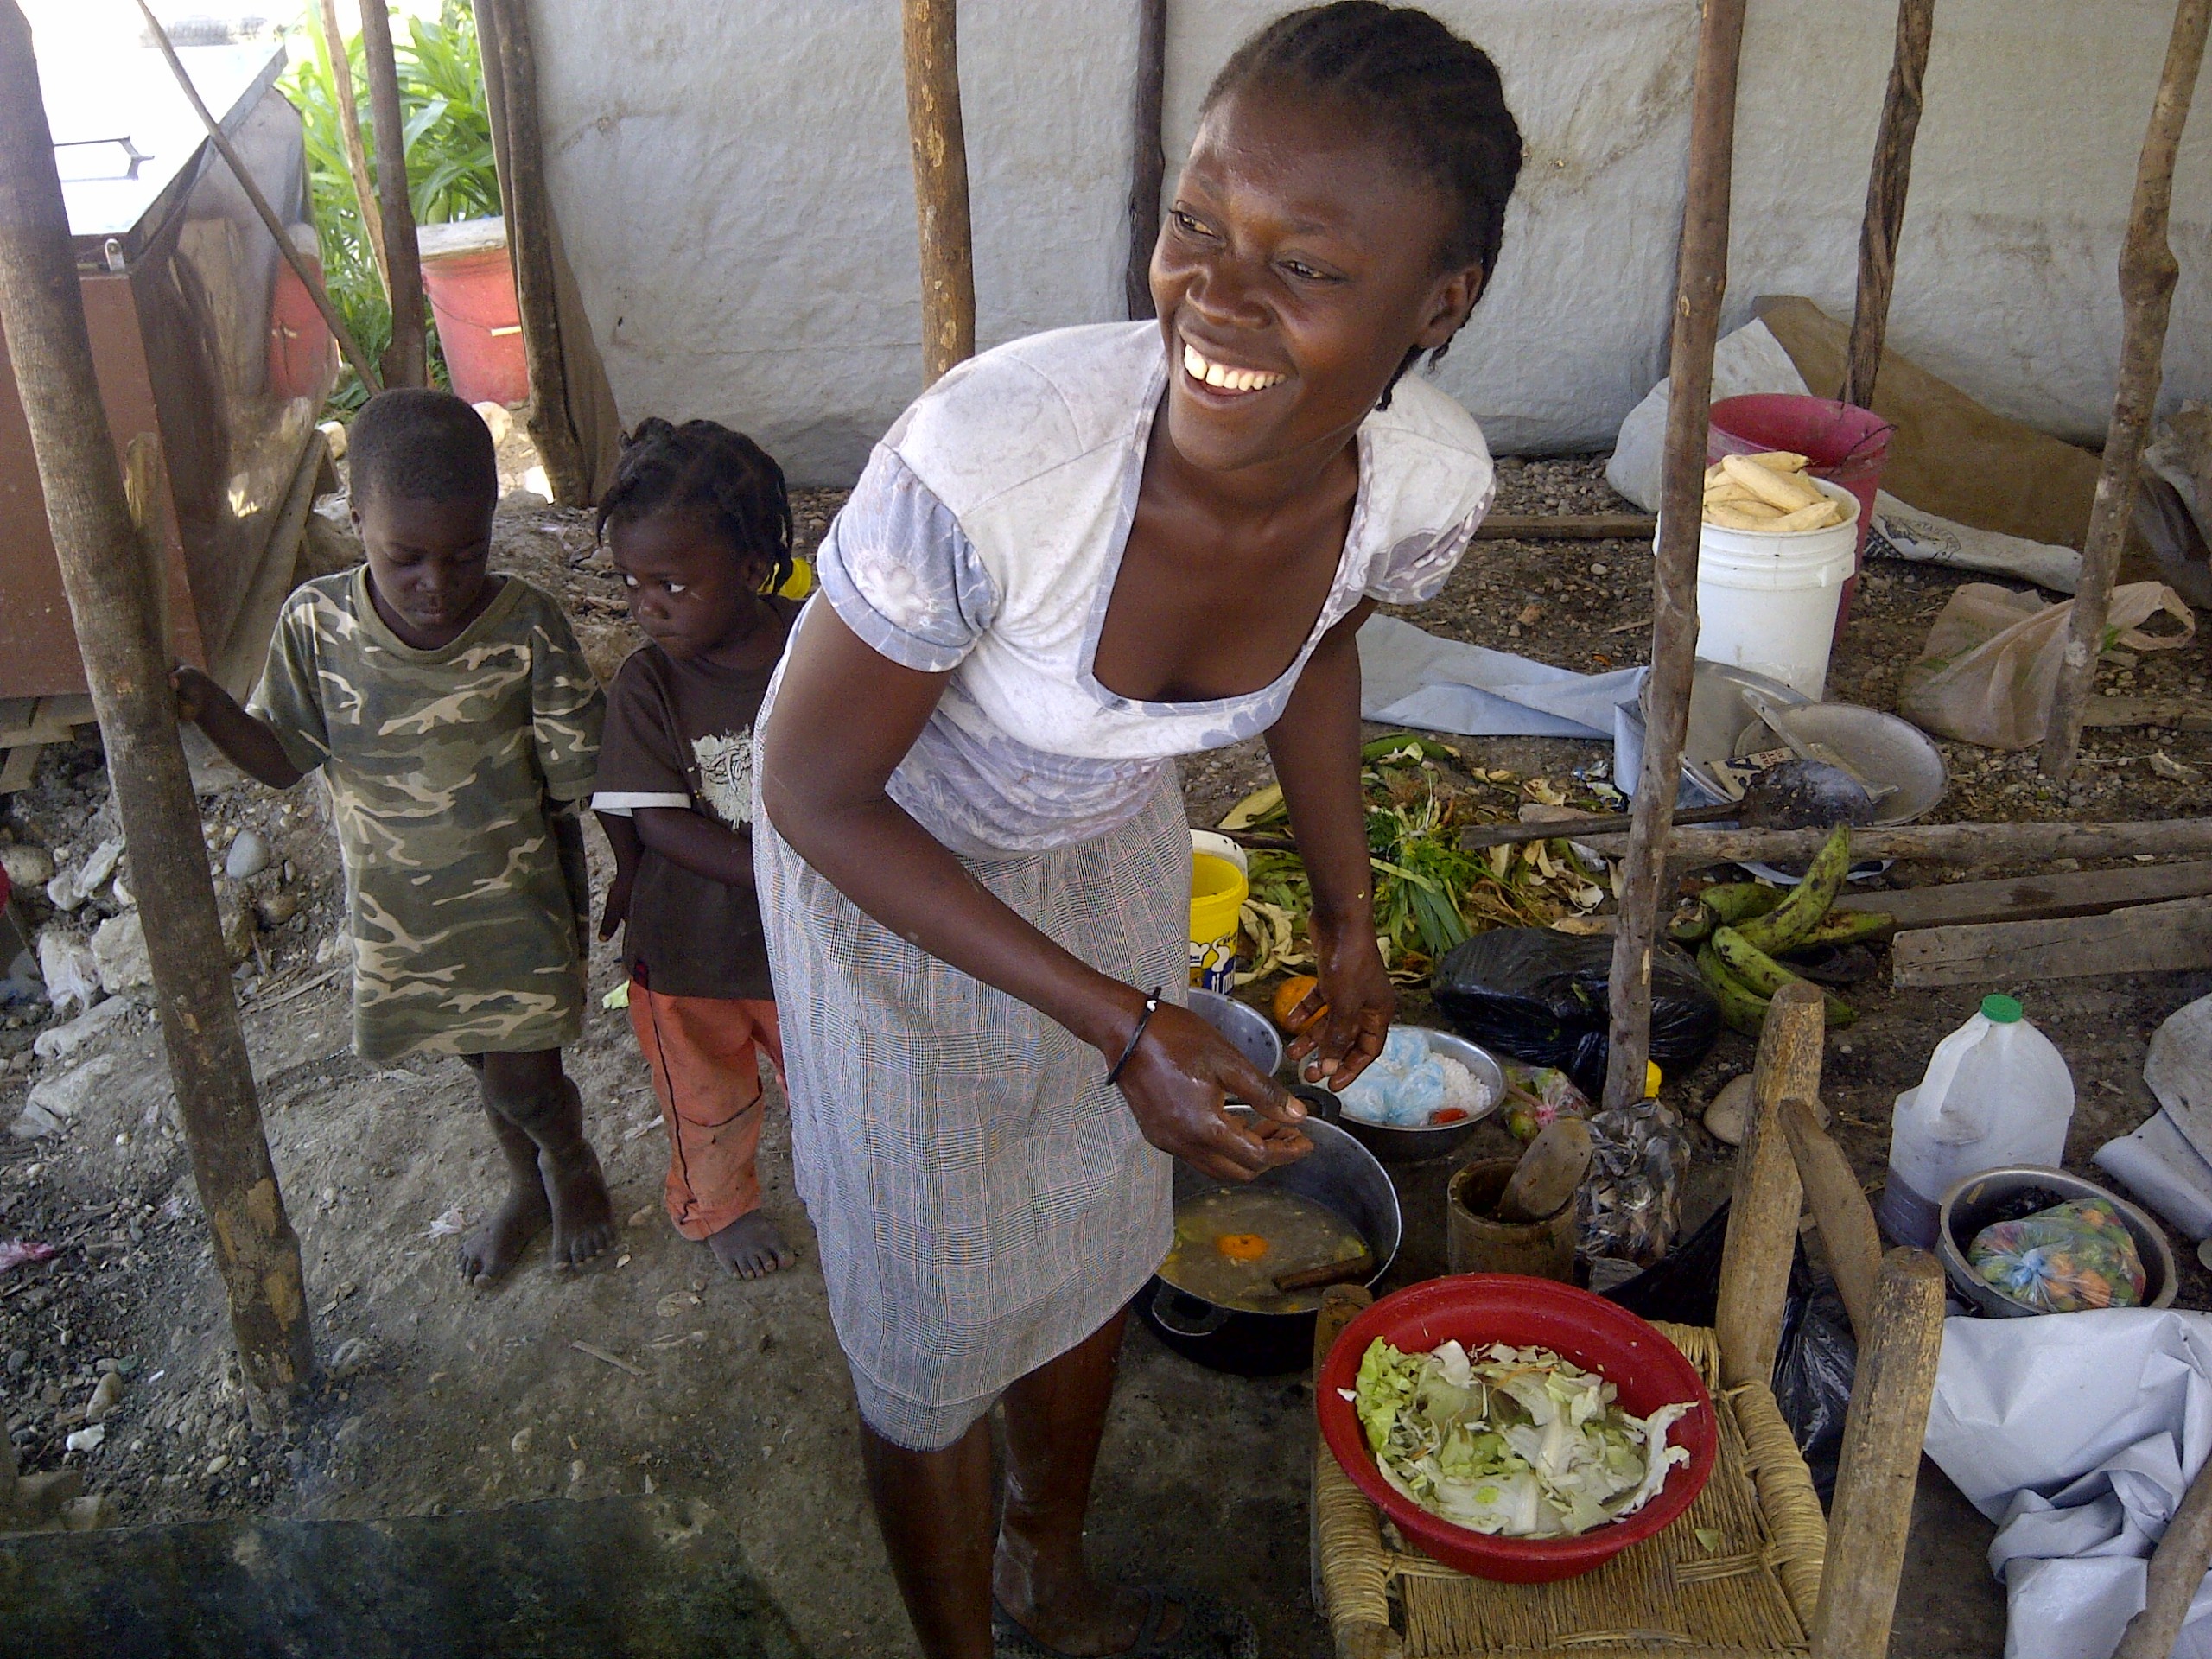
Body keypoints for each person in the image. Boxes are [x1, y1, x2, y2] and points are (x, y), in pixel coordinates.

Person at [755, 5, 1522, 1654]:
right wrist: (1126, 1025)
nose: (1213, 299)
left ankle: (1055, 1567)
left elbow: (1322, 638)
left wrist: (1349, 919)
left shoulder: (1420, 483)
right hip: (888, 873)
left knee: (1098, 1223)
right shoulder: (997, 469)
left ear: (1434, 305)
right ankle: (960, 1639)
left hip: (1101, 834)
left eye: (1304, 267)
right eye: (1195, 226)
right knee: (937, 1296)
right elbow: (811, 788)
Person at [173, 388, 616, 1287]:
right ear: (355, 518)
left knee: (522, 1080)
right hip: (403, 920)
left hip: (514, 912)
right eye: (403, 557)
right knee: (478, 1063)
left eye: (466, 554)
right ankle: (522, 1184)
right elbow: (282, 756)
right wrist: (208, 706)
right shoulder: (315, 626)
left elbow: (581, 778)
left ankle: (570, 1166)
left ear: (493, 523)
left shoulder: (526, 627)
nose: (437, 583)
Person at [588, 418, 802, 1280]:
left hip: (808, 952)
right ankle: (719, 1208)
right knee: (706, 1100)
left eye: (673, 583)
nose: (648, 606)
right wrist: (787, 874)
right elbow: (659, 823)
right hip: (691, 954)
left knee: (837, 1089)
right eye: (633, 584)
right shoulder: (651, 683)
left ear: (753, 570)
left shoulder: (818, 646)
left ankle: (850, 1182)